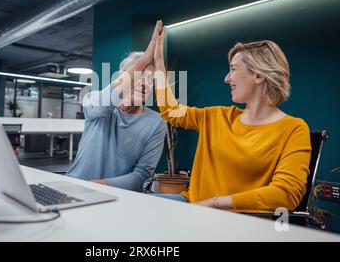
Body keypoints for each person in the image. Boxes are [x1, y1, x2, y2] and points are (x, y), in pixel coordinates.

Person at [152, 25, 311, 212]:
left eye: (233, 69)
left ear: (258, 75)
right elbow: (171, 111)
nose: (227, 78)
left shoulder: (293, 129)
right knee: (137, 209)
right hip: (192, 208)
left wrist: (215, 203)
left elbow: (285, 194)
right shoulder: (217, 117)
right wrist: (158, 62)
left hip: (238, 221)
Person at [66, 21, 167, 192]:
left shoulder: (157, 122)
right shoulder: (94, 99)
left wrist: (99, 185)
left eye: (151, 79)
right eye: (140, 75)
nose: (145, 84)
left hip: (114, 196)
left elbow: (142, 176)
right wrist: (144, 60)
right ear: (124, 77)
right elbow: (103, 106)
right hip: (72, 186)